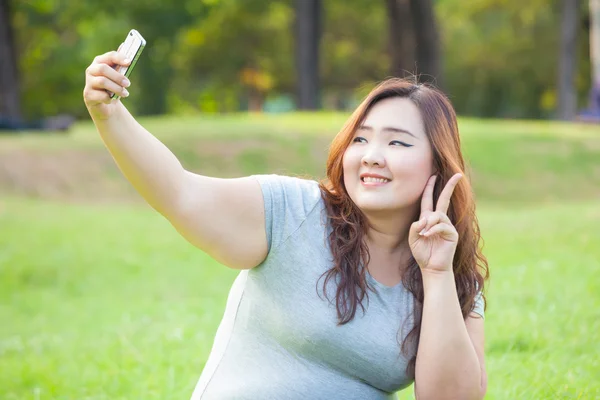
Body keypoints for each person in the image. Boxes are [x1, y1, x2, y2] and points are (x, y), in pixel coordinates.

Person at [83, 50, 489, 400]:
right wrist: (108, 113)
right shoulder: (294, 212)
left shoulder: (454, 274)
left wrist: (436, 275)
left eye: (397, 142)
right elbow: (180, 193)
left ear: (438, 164)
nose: (371, 156)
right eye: (361, 140)